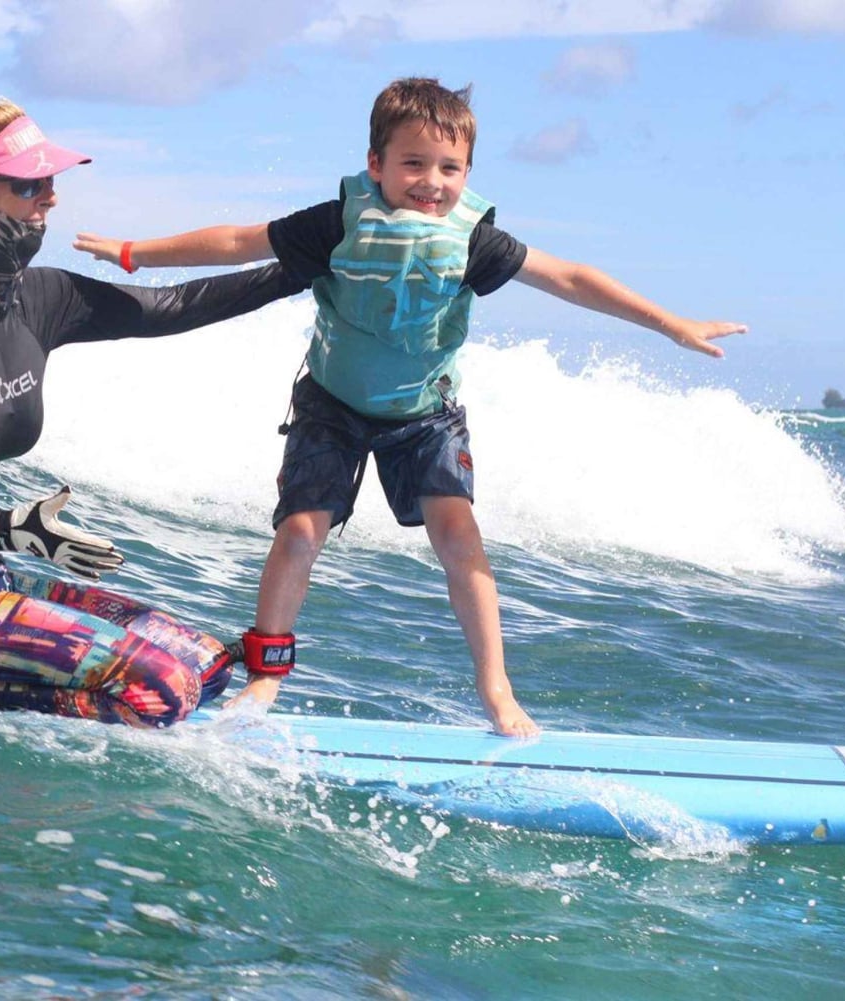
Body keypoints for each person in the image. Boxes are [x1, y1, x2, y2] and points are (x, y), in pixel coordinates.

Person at [74, 77, 746, 737]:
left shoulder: (474, 239)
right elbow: (238, 242)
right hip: (332, 404)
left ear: (468, 172)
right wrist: (136, 253)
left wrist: (671, 324)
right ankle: (267, 674)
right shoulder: (339, 222)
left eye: (450, 168)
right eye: (414, 163)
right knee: (301, 531)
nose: (432, 181)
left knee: (459, 537)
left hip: (426, 414)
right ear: (376, 163)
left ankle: (496, 688)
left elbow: (569, 277)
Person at [0, 91, 306, 728]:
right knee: (161, 691)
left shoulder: (38, 298)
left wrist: (303, 268)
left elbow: (170, 308)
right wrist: (7, 525)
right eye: (28, 184)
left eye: (50, 182)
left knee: (205, 665)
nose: (50, 198)